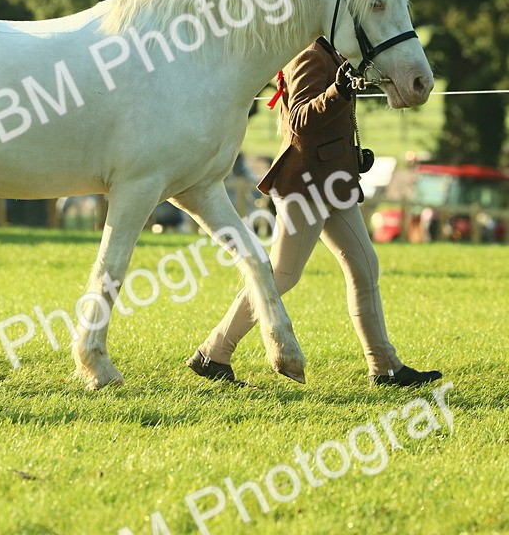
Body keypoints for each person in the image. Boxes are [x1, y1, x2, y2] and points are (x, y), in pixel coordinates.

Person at [186, 37, 442, 387]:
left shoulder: (334, 51)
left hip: (332, 182)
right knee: (282, 275)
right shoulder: (309, 54)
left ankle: (386, 367)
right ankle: (214, 353)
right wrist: (339, 90)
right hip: (306, 184)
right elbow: (301, 119)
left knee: (365, 267)